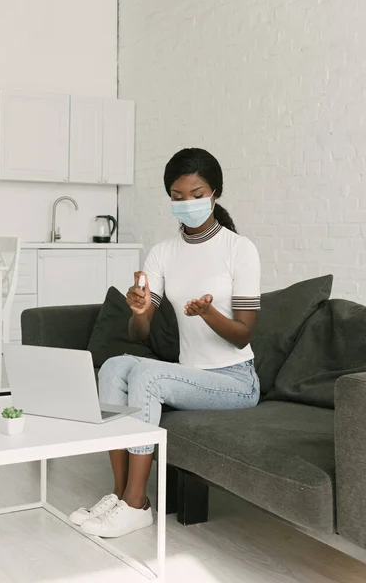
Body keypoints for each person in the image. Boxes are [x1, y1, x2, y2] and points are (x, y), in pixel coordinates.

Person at [69, 148, 261, 538]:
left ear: (215, 193)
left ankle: (138, 504)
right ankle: (121, 495)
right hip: (190, 374)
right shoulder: (163, 253)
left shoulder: (239, 250)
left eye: (196, 194)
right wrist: (140, 311)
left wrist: (208, 313)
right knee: (115, 366)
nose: (186, 203)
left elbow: (244, 334)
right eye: (177, 196)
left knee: (149, 377)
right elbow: (139, 334)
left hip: (235, 380)